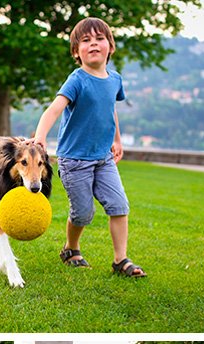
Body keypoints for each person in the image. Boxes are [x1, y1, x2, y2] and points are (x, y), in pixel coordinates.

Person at [34, 16, 145, 278]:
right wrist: (40, 139)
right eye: (85, 41)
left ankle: (121, 260)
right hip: (74, 160)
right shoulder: (77, 80)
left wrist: (117, 139)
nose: (93, 44)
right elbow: (53, 110)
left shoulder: (115, 80)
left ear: (110, 46)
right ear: (76, 51)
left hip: (103, 158)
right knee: (83, 213)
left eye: (99, 39)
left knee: (119, 205)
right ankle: (71, 249)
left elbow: (110, 111)